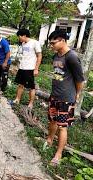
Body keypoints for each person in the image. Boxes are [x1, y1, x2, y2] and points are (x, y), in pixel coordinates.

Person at [44, 30, 84, 166]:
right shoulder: (56, 56)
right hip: (54, 95)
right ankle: (49, 139)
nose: (51, 46)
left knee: (62, 127)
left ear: (62, 40)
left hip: (66, 99)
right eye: (50, 43)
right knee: (52, 121)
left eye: (53, 43)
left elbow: (80, 80)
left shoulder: (72, 57)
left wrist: (76, 94)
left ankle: (58, 153)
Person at [11, 29, 42, 109]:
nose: (19, 38)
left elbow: (39, 56)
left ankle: (31, 103)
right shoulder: (23, 44)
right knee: (20, 84)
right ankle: (17, 99)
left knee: (31, 87)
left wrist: (36, 69)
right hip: (22, 67)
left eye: (19, 37)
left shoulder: (35, 43)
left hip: (30, 68)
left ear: (24, 35)